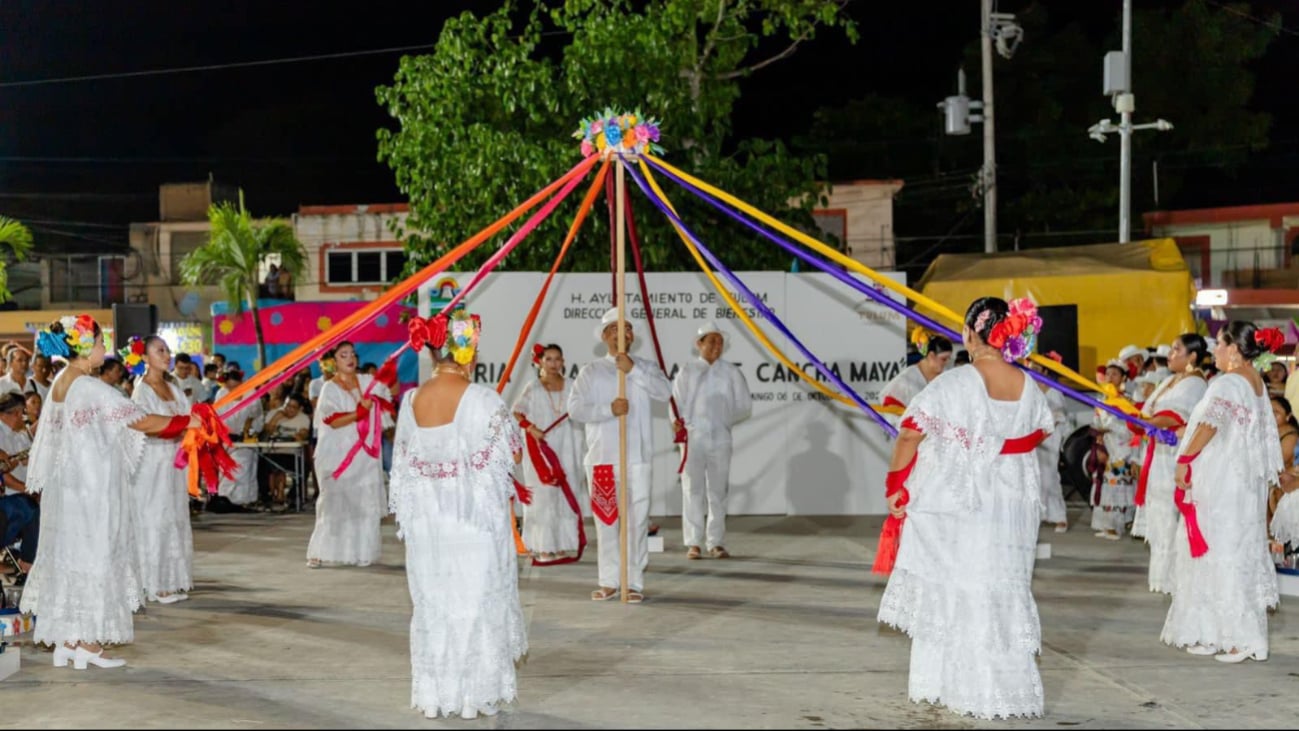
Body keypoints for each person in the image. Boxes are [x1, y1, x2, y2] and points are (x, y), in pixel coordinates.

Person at [876, 296, 1053, 720]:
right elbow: (1041, 432)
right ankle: (1006, 688)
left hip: (967, 502)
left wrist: (896, 484)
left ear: (969, 333)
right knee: (1003, 584)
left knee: (959, 583)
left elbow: (910, 434)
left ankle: (959, 685)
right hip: (1012, 505)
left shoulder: (955, 383)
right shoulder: (1028, 385)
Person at [20, 315, 198, 669]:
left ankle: (68, 641)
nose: (105, 349)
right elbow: (141, 421)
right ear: (86, 347)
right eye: (101, 343)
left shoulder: (62, 381)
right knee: (96, 556)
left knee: (72, 558)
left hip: (70, 491)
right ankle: (88, 644)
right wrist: (186, 421)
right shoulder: (89, 387)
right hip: (92, 490)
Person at [389, 308, 526, 720]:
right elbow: (511, 456)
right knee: (475, 599)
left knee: (436, 601)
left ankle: (438, 693)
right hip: (472, 520)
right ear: (466, 351)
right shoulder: (483, 398)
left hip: (430, 524)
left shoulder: (411, 400)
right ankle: (474, 695)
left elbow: (404, 467)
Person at [1161, 321, 1283, 663]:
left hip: (1226, 484)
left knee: (1227, 553)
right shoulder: (1253, 382)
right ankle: (1215, 632)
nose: (1214, 349)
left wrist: (1185, 459)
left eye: (1218, 343)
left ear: (1234, 348)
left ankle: (1243, 639)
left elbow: (1210, 424)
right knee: (1221, 552)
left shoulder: (1230, 382)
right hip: (1237, 484)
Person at [569, 308, 671, 603]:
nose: (621, 333)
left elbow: (665, 393)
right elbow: (575, 409)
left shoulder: (645, 367)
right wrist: (607, 411)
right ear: (604, 336)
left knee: (637, 521)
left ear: (632, 335)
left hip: (637, 458)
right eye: (614, 328)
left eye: (626, 328)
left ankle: (634, 582)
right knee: (606, 521)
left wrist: (633, 371)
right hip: (602, 458)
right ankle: (610, 581)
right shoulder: (591, 371)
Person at [306, 341, 393, 568]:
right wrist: (359, 413)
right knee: (333, 502)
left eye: (352, 354)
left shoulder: (365, 381)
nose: (350, 358)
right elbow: (331, 420)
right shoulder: (329, 388)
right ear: (333, 361)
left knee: (363, 503)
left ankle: (362, 553)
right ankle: (322, 551)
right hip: (337, 454)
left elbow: (388, 395)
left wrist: (389, 371)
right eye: (343, 355)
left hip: (365, 455)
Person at [1132, 334, 1208, 594]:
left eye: (1177, 350)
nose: (1171, 354)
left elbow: (1170, 417)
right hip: (1158, 455)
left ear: (1193, 356)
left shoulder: (1195, 383)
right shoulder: (1169, 379)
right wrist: (1135, 417)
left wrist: (1143, 423)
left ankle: (1174, 580)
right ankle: (1162, 577)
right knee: (1159, 515)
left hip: (1175, 455)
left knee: (1170, 516)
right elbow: (1150, 412)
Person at [671, 321, 753, 559]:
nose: (717, 346)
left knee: (718, 490)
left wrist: (723, 421)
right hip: (692, 438)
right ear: (699, 344)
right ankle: (693, 543)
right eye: (711, 341)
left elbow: (745, 406)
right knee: (692, 489)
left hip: (720, 438)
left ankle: (716, 541)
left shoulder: (731, 372)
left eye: (720, 342)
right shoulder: (687, 370)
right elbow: (675, 403)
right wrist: (681, 423)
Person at [127, 336, 194, 603]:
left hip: (175, 462)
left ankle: (173, 578)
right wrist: (182, 425)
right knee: (154, 518)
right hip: (152, 462)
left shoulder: (174, 388)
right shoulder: (141, 391)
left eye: (167, 350)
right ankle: (154, 584)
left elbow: (189, 419)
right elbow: (148, 426)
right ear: (144, 358)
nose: (167, 355)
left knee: (174, 517)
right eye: (160, 351)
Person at [512, 343, 584, 561]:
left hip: (568, 445)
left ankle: (562, 543)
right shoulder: (532, 387)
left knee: (565, 491)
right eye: (549, 359)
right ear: (540, 362)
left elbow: (583, 409)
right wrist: (532, 429)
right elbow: (517, 412)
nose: (554, 364)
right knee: (543, 496)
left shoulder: (573, 385)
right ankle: (543, 545)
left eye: (557, 359)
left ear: (563, 362)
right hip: (541, 449)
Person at [1093, 360, 1136, 540]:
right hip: (1106, 445)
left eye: (1115, 374)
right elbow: (1096, 421)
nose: (1110, 377)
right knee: (1104, 485)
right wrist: (1099, 432)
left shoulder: (1127, 400)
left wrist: (1110, 427)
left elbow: (1131, 427)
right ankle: (1106, 524)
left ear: (1123, 377)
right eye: (1108, 374)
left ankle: (1116, 525)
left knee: (1118, 485)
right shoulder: (1101, 398)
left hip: (1121, 448)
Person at [214, 368, 262, 508]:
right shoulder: (221, 394)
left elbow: (255, 415)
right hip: (226, 438)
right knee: (227, 469)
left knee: (243, 468)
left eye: (236, 387)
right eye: (230, 387)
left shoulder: (251, 393)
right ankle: (226, 499)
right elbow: (218, 416)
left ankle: (244, 500)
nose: (233, 390)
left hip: (246, 439)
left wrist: (247, 430)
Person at [0, 392, 36, 579]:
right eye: (21, 413)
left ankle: (28, 560)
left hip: (18, 492)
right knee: (28, 508)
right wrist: (26, 489)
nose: (22, 418)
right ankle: (27, 562)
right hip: (11, 494)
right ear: (12, 413)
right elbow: (4, 474)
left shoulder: (18, 434)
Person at [1030, 358, 1069, 533]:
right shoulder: (1030, 389)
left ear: (1045, 371)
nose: (1032, 371)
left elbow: (1059, 415)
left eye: (1036, 369)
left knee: (1050, 476)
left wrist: (1045, 426)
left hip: (1050, 437)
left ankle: (1060, 516)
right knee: (1036, 476)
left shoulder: (1054, 391)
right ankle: (1040, 515)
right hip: (1032, 437)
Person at [879, 332, 953, 419]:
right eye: (943, 359)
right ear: (931, 356)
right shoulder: (906, 380)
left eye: (949, 359)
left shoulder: (947, 375)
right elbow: (889, 408)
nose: (946, 363)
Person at [261, 393, 311, 508]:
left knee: (304, 468)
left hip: (290, 453)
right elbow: (264, 435)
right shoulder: (274, 414)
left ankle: (292, 497)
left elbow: (303, 435)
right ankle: (266, 497)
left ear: (300, 409)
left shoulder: (303, 418)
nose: (289, 409)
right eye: (287, 405)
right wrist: (276, 418)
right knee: (262, 467)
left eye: (293, 407)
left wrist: (299, 435)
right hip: (271, 452)